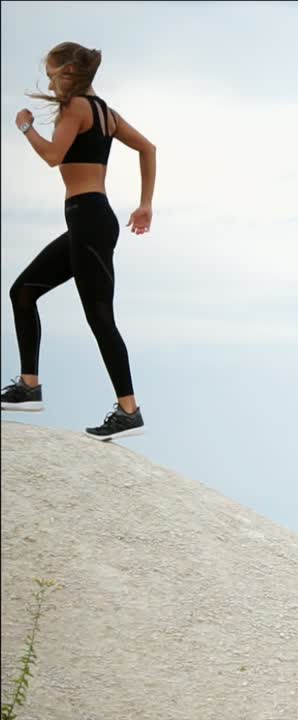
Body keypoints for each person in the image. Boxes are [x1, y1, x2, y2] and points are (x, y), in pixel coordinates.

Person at [1, 42, 156, 441]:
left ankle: (129, 412)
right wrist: (144, 204)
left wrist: (24, 127)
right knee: (23, 291)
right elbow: (148, 148)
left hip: (89, 220)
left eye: (52, 74)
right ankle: (28, 386)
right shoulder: (105, 111)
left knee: (100, 317)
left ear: (68, 72)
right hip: (87, 221)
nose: (50, 82)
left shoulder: (77, 109)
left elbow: (53, 156)